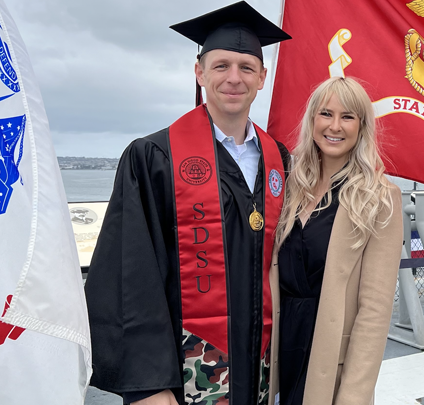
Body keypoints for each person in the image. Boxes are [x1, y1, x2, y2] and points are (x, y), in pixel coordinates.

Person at [84, 2, 291, 405]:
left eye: (247, 67)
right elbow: (131, 275)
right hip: (181, 374)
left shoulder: (279, 160)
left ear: (262, 77)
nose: (234, 78)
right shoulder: (154, 157)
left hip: (259, 367)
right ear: (199, 72)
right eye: (221, 66)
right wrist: (148, 387)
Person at [270, 77, 403, 405]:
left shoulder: (380, 197)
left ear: (362, 127)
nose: (335, 126)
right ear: (312, 119)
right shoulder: (287, 187)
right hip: (277, 350)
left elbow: (374, 309)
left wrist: (354, 395)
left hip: (329, 358)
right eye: (326, 114)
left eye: (347, 117)